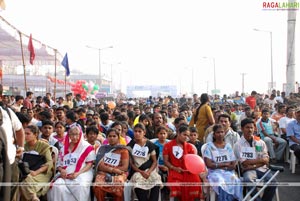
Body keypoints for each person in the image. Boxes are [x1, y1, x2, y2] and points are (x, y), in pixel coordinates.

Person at [47, 126, 95, 201]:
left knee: (80, 185)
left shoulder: (87, 147)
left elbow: (90, 164)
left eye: (77, 134)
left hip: (83, 172)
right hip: (65, 173)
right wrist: (61, 170)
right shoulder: (64, 148)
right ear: (69, 135)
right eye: (72, 134)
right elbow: (59, 164)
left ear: (80, 135)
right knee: (57, 186)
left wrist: (77, 173)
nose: (74, 137)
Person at [234, 118, 277, 201]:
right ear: (242, 129)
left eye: (251, 127)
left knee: (273, 183)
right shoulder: (238, 144)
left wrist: (254, 165)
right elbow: (245, 163)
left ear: (254, 128)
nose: (250, 130)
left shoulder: (260, 142)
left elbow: (266, 159)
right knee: (248, 180)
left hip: (262, 169)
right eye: (247, 127)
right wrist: (260, 161)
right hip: (248, 171)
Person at [163, 124, 204, 201]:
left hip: (188, 171)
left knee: (195, 181)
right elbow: (166, 161)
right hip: (175, 170)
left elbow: (194, 161)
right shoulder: (168, 145)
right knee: (176, 184)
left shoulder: (189, 147)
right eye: (184, 134)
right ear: (178, 133)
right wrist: (174, 168)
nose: (186, 137)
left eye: (188, 136)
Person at [203, 124, 242, 201]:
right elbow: (209, 164)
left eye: (222, 132)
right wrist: (224, 164)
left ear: (224, 133)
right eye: (218, 132)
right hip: (214, 173)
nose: (220, 134)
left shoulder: (228, 147)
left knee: (236, 180)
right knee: (220, 181)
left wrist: (218, 165)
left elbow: (233, 165)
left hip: (228, 172)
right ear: (214, 135)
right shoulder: (209, 147)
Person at [127, 123, 163, 201]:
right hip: (137, 171)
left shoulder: (149, 144)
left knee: (156, 178)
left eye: (139, 131)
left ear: (144, 133)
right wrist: (141, 172)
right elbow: (131, 163)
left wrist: (149, 172)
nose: (137, 133)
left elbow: (154, 161)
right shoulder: (130, 145)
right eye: (135, 131)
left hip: (149, 170)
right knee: (138, 181)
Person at [93, 128, 130, 201]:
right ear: (107, 137)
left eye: (114, 136)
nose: (112, 138)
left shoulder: (123, 150)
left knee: (118, 185)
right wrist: (112, 170)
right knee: (98, 186)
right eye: (110, 136)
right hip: (104, 172)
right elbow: (100, 165)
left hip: (119, 173)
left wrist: (115, 171)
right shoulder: (103, 149)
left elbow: (125, 167)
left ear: (118, 137)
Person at [20, 125, 53, 201]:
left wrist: (36, 172)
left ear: (35, 135)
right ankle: (33, 198)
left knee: (25, 180)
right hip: (28, 171)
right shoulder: (24, 146)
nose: (25, 136)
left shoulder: (43, 145)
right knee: (24, 178)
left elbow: (49, 162)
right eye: (24, 133)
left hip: (42, 172)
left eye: (28, 134)